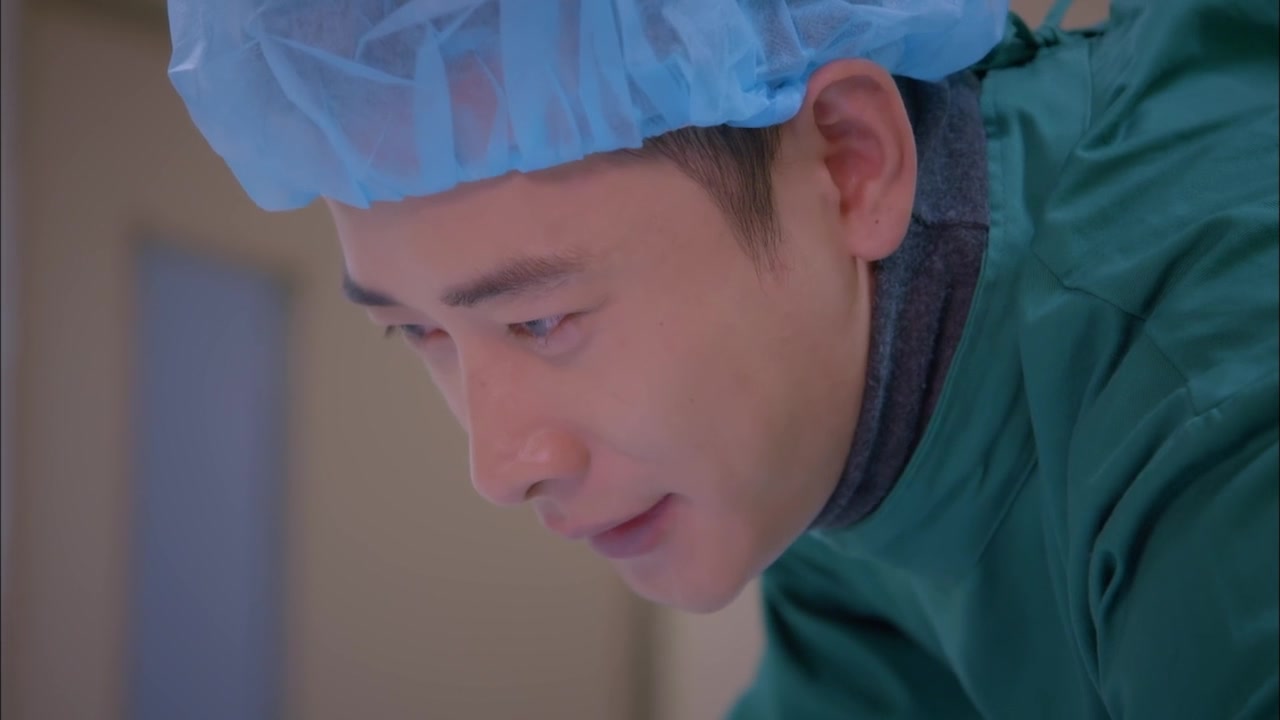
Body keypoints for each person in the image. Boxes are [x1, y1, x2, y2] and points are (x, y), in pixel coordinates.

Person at [168, 0, 1279, 716]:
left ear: (846, 164)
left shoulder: (1212, 389)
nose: (499, 465)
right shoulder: (837, 437)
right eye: (419, 333)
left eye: (541, 320)